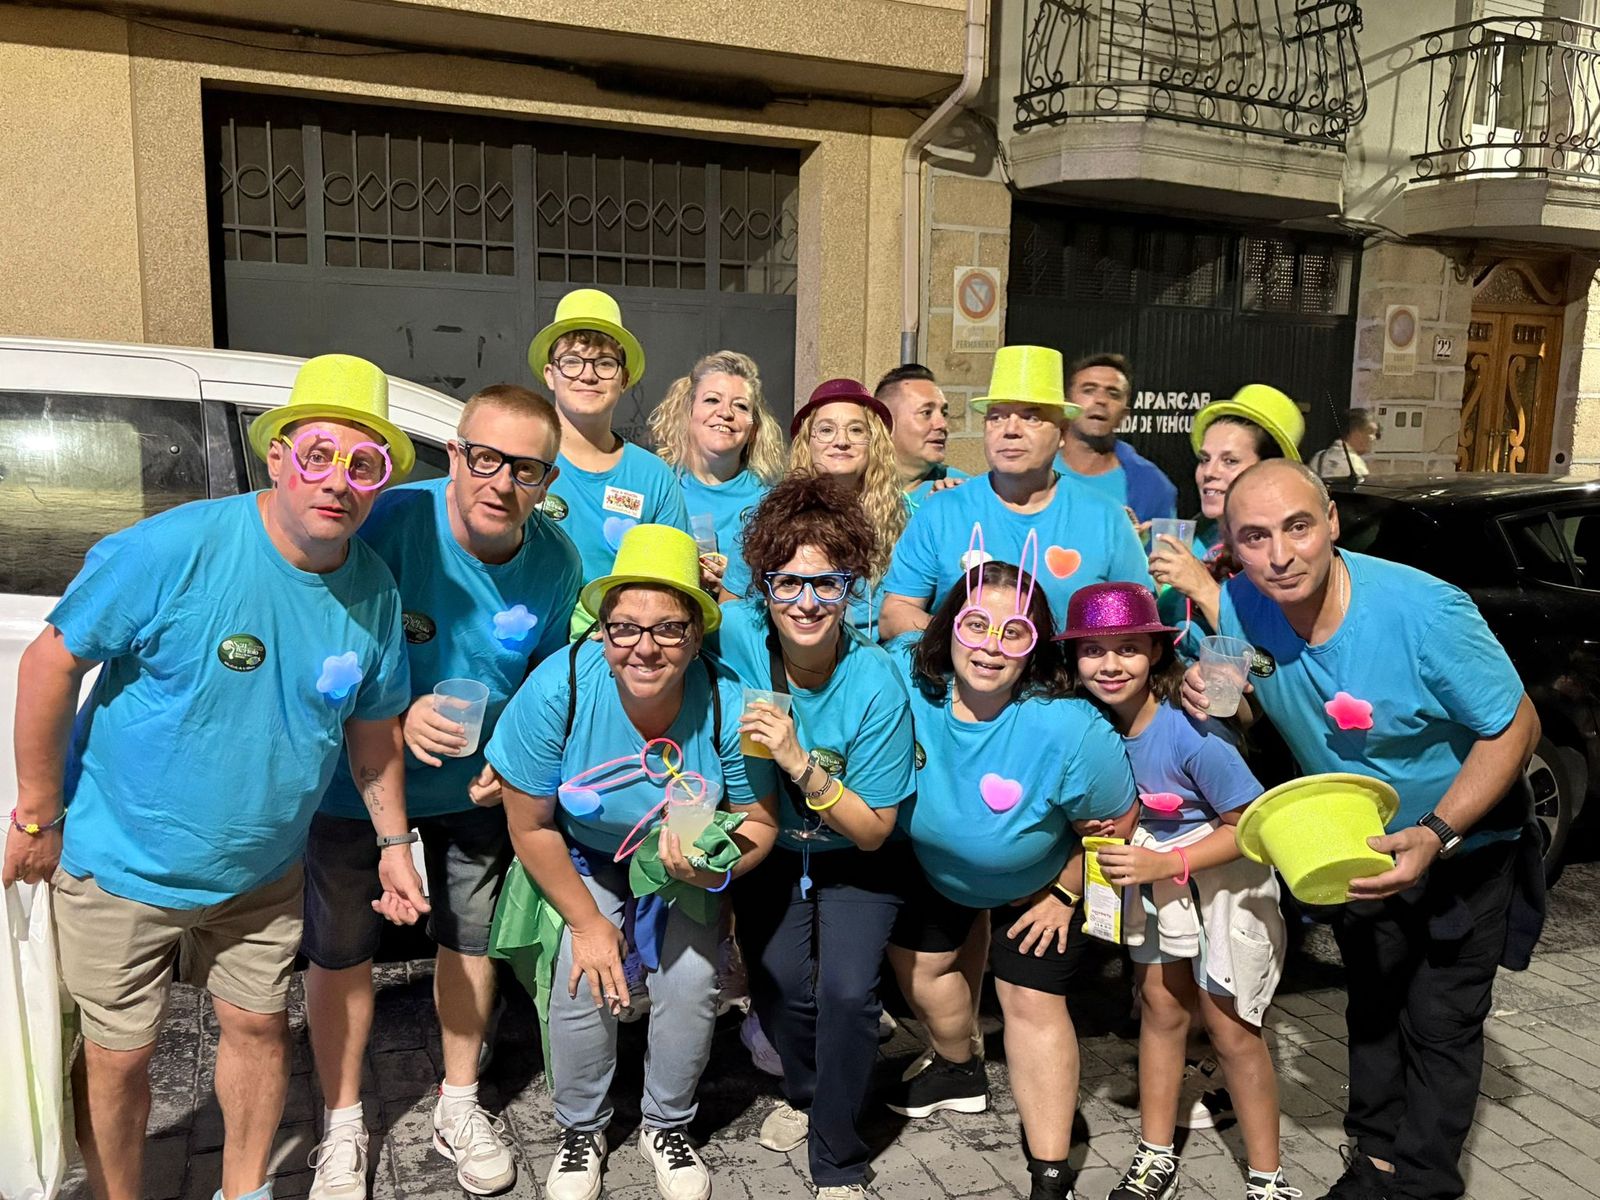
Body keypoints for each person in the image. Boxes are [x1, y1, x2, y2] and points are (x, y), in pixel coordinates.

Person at [4, 354, 428, 1200]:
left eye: (363, 464)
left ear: (380, 482)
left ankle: (245, 1189)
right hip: (124, 868)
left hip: (263, 874)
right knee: (122, 1059)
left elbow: (371, 730)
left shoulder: (372, 590)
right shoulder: (174, 549)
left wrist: (392, 843)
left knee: (262, 1030)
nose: (337, 481)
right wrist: (39, 813)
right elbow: (51, 663)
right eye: (317, 454)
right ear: (278, 456)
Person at [1182, 459, 1543, 1200]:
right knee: (1375, 1006)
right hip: (1349, 846)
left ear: (1333, 523)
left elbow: (1516, 727)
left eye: (1298, 527)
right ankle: (1375, 1163)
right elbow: (1232, 705)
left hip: (1464, 846)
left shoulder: (1423, 611)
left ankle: (1421, 1184)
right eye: (1254, 537)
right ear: (1231, 546)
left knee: (1439, 1024)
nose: (1280, 555)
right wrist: (1206, 695)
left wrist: (1437, 832)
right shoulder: (1241, 608)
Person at [302, 384, 581, 1199]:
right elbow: (321, 636)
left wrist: (518, 753)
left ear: (547, 479)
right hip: (356, 785)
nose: (501, 482)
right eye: (484, 458)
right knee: (341, 949)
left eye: (525, 469)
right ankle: (344, 1123)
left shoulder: (556, 561)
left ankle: (460, 1103)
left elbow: (544, 680)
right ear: (454, 455)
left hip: (473, 790)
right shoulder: (390, 521)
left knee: (468, 937)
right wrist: (396, 708)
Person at [483, 524, 779, 1200]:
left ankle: (666, 1124)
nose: (645, 647)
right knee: (582, 972)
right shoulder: (559, 686)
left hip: (685, 862)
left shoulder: (729, 703)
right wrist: (589, 924)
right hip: (583, 852)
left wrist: (717, 870)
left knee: (693, 979)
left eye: (669, 629)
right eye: (625, 628)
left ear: (696, 637)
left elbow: (761, 822)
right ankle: (581, 1128)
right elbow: (527, 824)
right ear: (603, 632)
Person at [884, 548, 1137, 1200]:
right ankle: (960, 1068)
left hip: (1041, 884)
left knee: (1027, 1000)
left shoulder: (1069, 727)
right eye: (975, 626)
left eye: (1014, 632)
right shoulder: (909, 679)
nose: (990, 648)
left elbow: (1115, 822)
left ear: (1035, 646)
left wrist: (1065, 891)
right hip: (935, 872)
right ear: (949, 629)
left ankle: (1050, 1174)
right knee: (919, 972)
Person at [716, 474, 916, 1199]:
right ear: (763, 584)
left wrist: (800, 764)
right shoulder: (737, 632)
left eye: (826, 585)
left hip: (855, 860)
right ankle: (808, 1092)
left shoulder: (875, 682)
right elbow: (654, 628)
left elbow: (872, 831)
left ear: (852, 587)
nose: (806, 602)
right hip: (773, 848)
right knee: (778, 992)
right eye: (788, 583)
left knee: (846, 995)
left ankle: (838, 1154)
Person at [1063, 582, 1292, 1200]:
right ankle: (1155, 1153)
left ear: (1157, 655)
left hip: (1226, 891)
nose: (1110, 665)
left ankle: (1267, 1179)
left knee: (1231, 1029)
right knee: (1162, 1011)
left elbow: (1250, 826)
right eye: (1093, 651)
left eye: (1129, 649)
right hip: (1158, 890)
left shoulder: (1190, 731)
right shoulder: (1091, 731)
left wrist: (1168, 862)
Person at [880, 345, 1151, 641]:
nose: (1010, 430)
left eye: (1031, 417)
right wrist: (967, 641)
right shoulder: (942, 510)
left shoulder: (1107, 518)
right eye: (996, 417)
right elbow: (895, 612)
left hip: (1067, 686)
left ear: (1062, 433)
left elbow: (1140, 623)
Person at [528, 288, 689, 623]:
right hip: (525, 652)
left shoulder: (654, 478)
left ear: (624, 378)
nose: (588, 375)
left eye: (604, 363)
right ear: (549, 374)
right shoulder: (521, 459)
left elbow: (673, 588)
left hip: (619, 655)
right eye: (571, 361)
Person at [1148, 384, 1304, 640]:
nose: (1209, 472)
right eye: (1205, 459)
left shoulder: (1284, 556)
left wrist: (1202, 587)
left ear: (1269, 470)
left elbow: (1269, 652)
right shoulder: (1199, 536)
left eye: (1229, 461)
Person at [649, 350, 787, 600]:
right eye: (712, 400)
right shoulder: (658, 485)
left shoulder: (773, 501)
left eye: (741, 406)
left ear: (754, 429)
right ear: (688, 413)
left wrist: (739, 584)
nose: (726, 413)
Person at [782, 377, 908, 640]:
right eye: (826, 430)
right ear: (808, 442)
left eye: (856, 430)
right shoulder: (776, 515)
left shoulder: (905, 514)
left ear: (875, 442)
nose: (841, 441)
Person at [1055, 353, 1177, 525]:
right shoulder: (1027, 468)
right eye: (1089, 390)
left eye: (1113, 394)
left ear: (1124, 414)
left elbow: (1163, 551)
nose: (1101, 400)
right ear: (1066, 403)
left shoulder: (1153, 486)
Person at [874, 362, 968, 514]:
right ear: (885, 423)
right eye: (926, 413)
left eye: (943, 413)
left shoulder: (962, 490)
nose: (942, 424)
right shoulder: (854, 491)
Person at [1309, 408, 1379, 483]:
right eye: (1370, 432)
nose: (1374, 438)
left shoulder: (1318, 457)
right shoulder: (1356, 466)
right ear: (1356, 432)